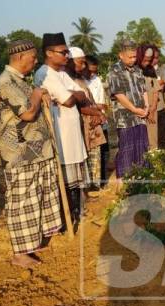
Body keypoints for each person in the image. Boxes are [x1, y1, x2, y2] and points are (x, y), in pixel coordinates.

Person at [0, 40, 63, 267]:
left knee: (39, 198)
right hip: (20, 154)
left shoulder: (21, 81)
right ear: (20, 57)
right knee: (23, 202)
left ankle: (35, 240)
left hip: (37, 151)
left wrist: (39, 95)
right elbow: (27, 114)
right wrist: (36, 93)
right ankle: (20, 253)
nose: (35, 62)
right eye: (32, 58)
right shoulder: (6, 82)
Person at [34, 33, 90, 224]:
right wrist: (73, 95)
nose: (67, 56)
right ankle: (67, 218)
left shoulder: (63, 73)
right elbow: (68, 100)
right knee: (65, 180)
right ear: (49, 53)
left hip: (72, 133)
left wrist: (73, 95)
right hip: (61, 135)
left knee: (75, 180)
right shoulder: (45, 74)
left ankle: (76, 213)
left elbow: (82, 94)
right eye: (63, 52)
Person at [107, 40, 150, 179]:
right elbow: (119, 95)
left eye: (134, 56)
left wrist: (146, 106)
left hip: (140, 116)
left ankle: (141, 177)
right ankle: (123, 181)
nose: (133, 59)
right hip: (124, 117)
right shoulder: (114, 71)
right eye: (130, 57)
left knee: (141, 146)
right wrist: (135, 109)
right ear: (121, 55)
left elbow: (143, 90)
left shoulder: (137, 70)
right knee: (126, 148)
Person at [66, 47, 107, 192]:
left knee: (95, 154)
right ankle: (86, 188)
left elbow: (91, 100)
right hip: (80, 123)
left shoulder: (81, 79)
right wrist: (97, 113)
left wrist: (99, 114)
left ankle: (94, 185)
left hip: (92, 122)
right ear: (70, 62)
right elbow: (77, 106)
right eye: (81, 63)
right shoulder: (66, 80)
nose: (83, 67)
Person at [85, 55, 110, 185]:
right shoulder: (80, 81)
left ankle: (103, 181)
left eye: (95, 71)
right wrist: (96, 108)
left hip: (101, 119)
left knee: (104, 151)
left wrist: (101, 110)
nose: (92, 74)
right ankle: (93, 183)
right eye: (90, 71)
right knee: (92, 153)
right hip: (89, 121)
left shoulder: (97, 80)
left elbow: (103, 103)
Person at [152, 48, 165, 149]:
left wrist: (159, 83)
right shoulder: (142, 70)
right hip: (149, 109)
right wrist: (159, 83)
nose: (154, 60)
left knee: (162, 136)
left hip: (160, 107)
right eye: (152, 58)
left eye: (156, 57)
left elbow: (163, 83)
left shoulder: (162, 69)